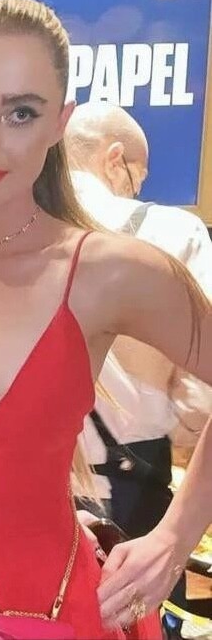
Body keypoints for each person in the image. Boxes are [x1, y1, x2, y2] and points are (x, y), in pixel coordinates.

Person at [0, 0, 209, 639]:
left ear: (60, 122)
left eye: (20, 113)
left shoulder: (109, 270)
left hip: (52, 608)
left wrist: (175, 536)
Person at [65, 101, 212, 540]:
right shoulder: (175, 233)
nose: (135, 191)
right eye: (138, 177)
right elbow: (201, 389)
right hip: (136, 489)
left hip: (29, 489)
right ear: (114, 159)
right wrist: (182, 432)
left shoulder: (16, 235)